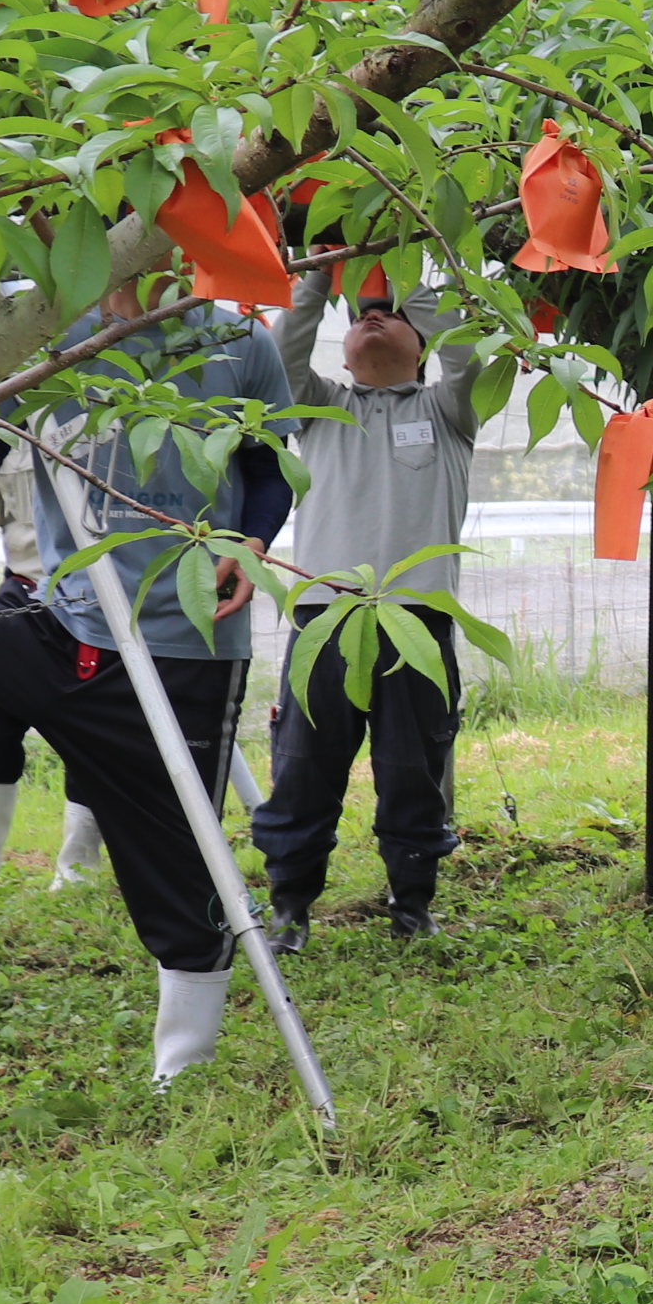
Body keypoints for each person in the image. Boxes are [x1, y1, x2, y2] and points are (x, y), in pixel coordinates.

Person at [0, 283, 295, 1079]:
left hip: (186, 638)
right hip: (57, 617)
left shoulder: (238, 337)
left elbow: (272, 464)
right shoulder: (46, 326)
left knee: (180, 858)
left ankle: (185, 1066)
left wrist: (251, 541)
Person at [249, 273, 481, 945]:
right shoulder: (319, 409)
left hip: (416, 619)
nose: (374, 317)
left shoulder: (448, 410)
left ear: (422, 345)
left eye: (393, 313)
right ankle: (289, 908)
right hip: (325, 619)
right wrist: (321, 274)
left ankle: (413, 906)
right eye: (362, 315)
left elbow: (468, 351)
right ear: (343, 351)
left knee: (414, 768)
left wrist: (403, 267)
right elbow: (283, 350)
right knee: (301, 764)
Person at [0, 438, 109, 888]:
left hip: (108, 600)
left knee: (91, 723)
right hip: (27, 591)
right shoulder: (5, 412)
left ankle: (80, 856)